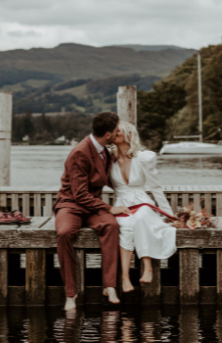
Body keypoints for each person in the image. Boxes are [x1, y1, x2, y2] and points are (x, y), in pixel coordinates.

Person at [54, 112, 130, 311]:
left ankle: (109, 286)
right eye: (116, 131)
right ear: (108, 134)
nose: (118, 133)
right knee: (64, 233)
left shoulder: (105, 151)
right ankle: (70, 293)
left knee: (111, 225)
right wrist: (110, 208)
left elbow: (111, 180)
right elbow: (79, 194)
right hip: (71, 204)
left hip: (92, 206)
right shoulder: (80, 153)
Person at [108, 122, 176, 293]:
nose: (115, 133)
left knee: (140, 218)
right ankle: (125, 277)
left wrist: (169, 214)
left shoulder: (143, 158)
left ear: (129, 136)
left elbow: (155, 187)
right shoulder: (109, 160)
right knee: (125, 226)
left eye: (118, 131)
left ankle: (148, 267)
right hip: (121, 203)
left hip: (142, 201)